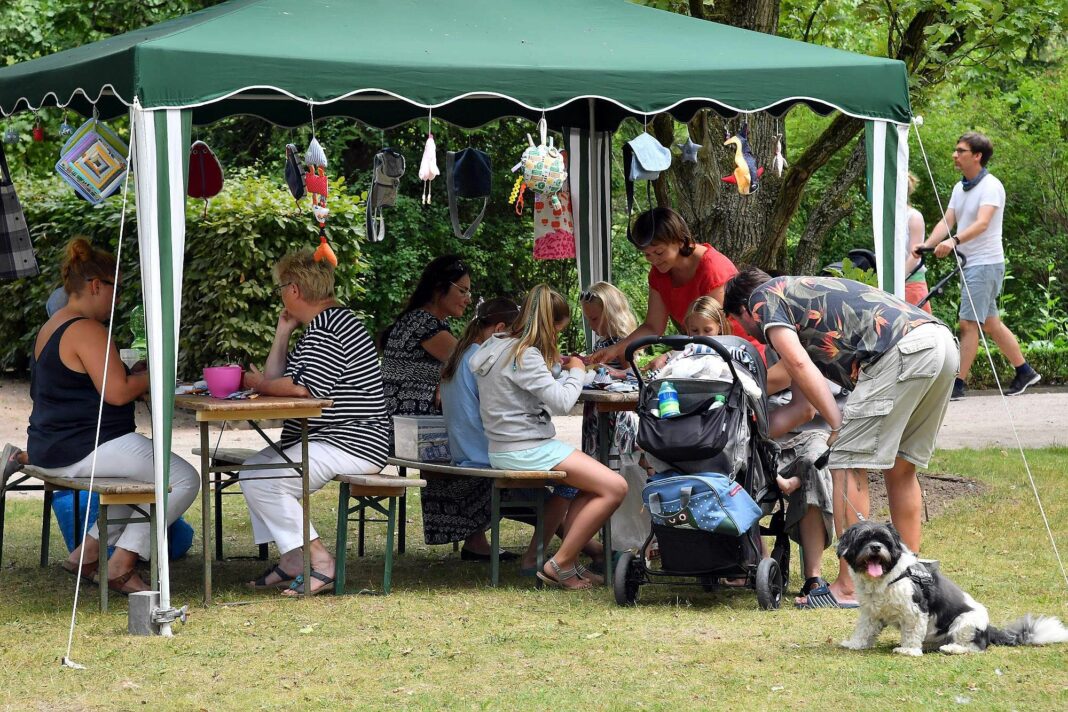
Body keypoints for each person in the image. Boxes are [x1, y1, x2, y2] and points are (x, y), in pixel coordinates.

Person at [724, 267, 958, 608]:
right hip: (940, 344)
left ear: (744, 309)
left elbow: (799, 365)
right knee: (901, 468)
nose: (747, 331)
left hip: (903, 350)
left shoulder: (764, 298)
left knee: (847, 462)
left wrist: (837, 424)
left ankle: (849, 587)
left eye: (736, 321)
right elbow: (800, 381)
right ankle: (908, 577)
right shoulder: (803, 295)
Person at [18, 238, 200, 595]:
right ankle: (121, 564)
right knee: (184, 479)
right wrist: (160, 374)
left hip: (53, 446)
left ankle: (85, 556)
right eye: (115, 292)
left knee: (143, 484)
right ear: (96, 285)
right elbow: (116, 392)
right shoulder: (87, 329)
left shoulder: (53, 325)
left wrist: (135, 376)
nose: (116, 302)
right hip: (85, 447)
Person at [240, 249, 391, 596]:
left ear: (293, 290)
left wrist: (258, 384)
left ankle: (322, 561)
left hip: (352, 441)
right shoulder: (323, 325)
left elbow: (302, 389)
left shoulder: (332, 326)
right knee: (252, 471)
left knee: (266, 480)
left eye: (280, 287)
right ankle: (294, 557)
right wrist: (282, 332)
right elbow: (281, 378)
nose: (280, 295)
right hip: (334, 438)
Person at [470, 285, 627, 590]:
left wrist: (558, 367)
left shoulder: (494, 346)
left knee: (584, 487)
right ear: (550, 324)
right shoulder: (524, 355)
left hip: (503, 447)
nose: (557, 336)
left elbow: (520, 387)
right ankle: (560, 563)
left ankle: (562, 562)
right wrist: (578, 370)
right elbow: (561, 402)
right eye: (559, 329)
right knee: (615, 487)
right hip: (527, 447)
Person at [381, 255, 505, 558]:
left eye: (469, 292)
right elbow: (474, 364)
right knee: (481, 448)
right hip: (408, 430)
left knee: (472, 443)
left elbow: (450, 369)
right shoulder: (425, 325)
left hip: (410, 425)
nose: (468, 298)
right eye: (462, 291)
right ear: (440, 288)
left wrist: (440, 382)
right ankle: (485, 532)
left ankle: (475, 539)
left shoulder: (423, 321)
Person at [590, 208, 787, 392]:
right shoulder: (659, 273)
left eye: (658, 252)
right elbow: (652, 326)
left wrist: (670, 357)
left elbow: (712, 333)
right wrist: (616, 349)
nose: (653, 260)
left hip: (739, 357)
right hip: (702, 356)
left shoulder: (712, 268)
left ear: (679, 240)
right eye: (647, 255)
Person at [917, 131, 1040, 399]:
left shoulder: (991, 186)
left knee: (968, 324)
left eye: (960, 151)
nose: (954, 155)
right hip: (971, 264)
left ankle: (958, 384)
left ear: (977, 156)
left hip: (985, 264)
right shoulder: (959, 188)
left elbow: (983, 223)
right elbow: (947, 221)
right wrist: (927, 245)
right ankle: (1025, 371)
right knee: (990, 323)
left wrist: (954, 241)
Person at [903, 173, 932, 314]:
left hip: (912, 283)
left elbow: (915, 255)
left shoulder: (914, 217)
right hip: (889, 282)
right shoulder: (885, 217)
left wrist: (899, 278)